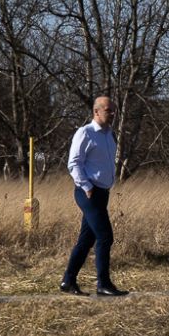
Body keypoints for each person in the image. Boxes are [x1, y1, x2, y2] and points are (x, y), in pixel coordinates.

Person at [59, 94, 128, 296]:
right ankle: (103, 284)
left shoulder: (108, 135)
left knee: (86, 240)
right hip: (87, 193)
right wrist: (87, 186)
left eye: (114, 110)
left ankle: (68, 281)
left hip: (102, 192)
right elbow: (74, 163)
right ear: (96, 111)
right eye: (108, 110)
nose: (113, 113)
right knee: (105, 236)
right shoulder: (85, 133)